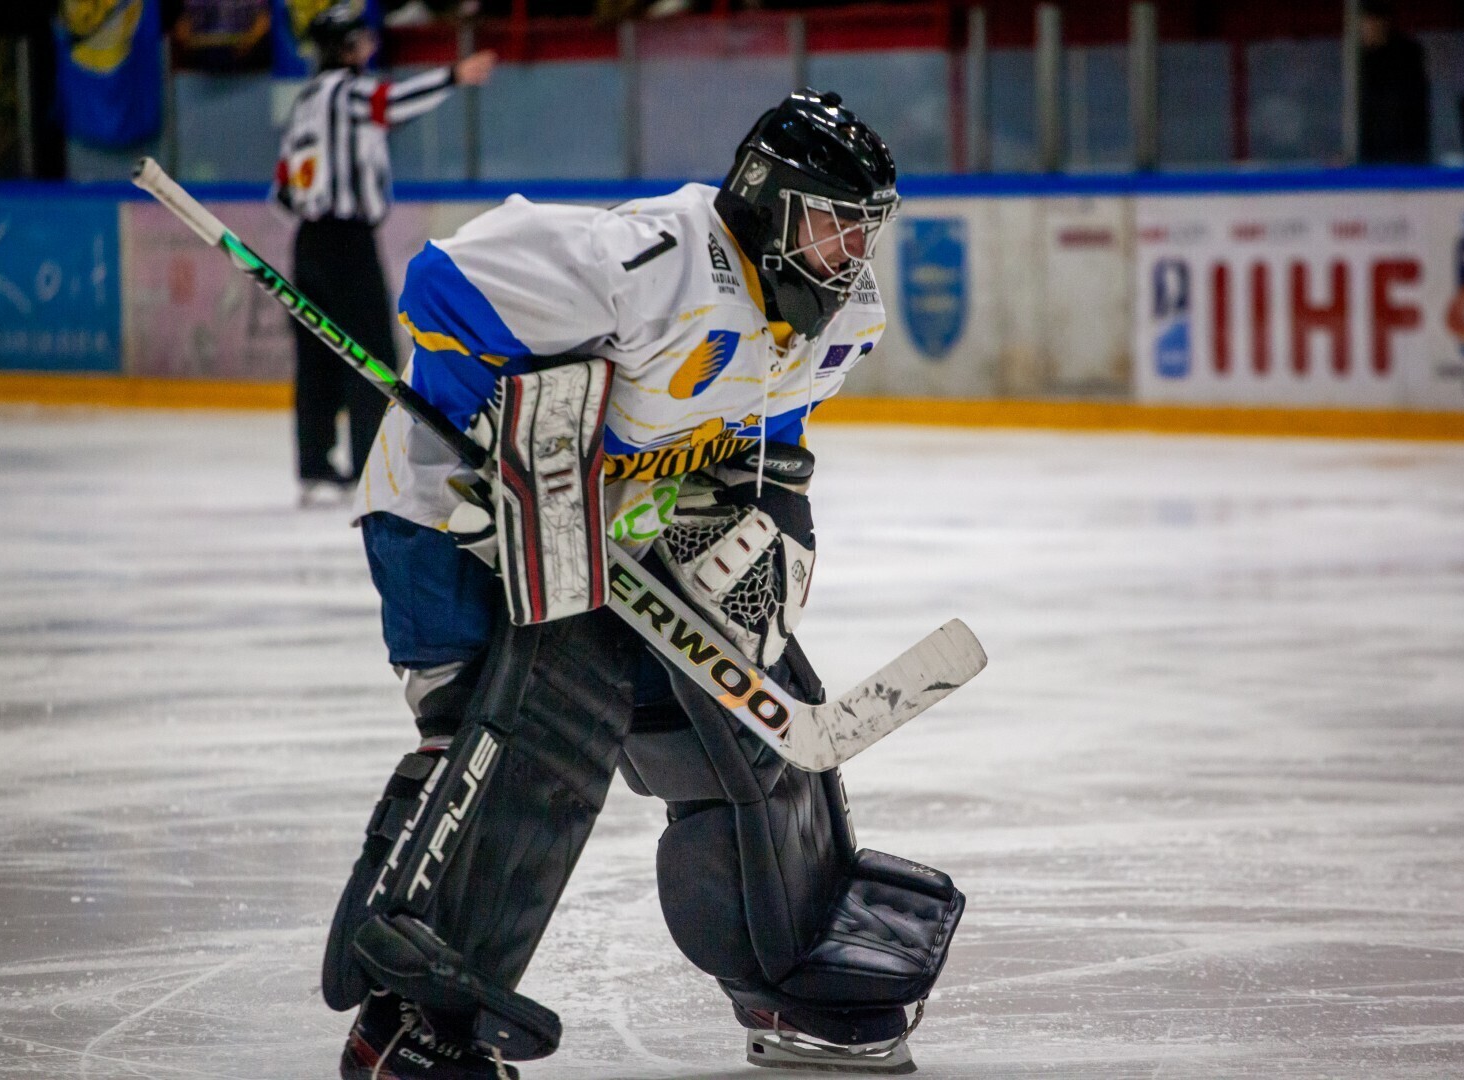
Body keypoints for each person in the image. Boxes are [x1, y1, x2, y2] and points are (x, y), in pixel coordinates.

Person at [323, 89, 966, 1079]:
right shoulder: (654, 263)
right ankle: (409, 1023)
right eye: (831, 227)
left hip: (612, 541)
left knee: (742, 731)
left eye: (862, 233)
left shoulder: (841, 317)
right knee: (515, 746)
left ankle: (783, 970)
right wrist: (496, 447)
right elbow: (444, 283)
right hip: (452, 529)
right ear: (766, 200)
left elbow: (769, 432)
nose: (849, 257)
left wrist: (771, 515)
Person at [273, 2, 495, 506]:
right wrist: (453, 76)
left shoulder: (304, 100)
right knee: (370, 354)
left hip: (307, 243)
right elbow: (390, 102)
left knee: (316, 356)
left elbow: (283, 187)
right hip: (347, 243)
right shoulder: (348, 91)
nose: (370, 46)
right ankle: (369, 466)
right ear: (345, 47)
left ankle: (314, 467)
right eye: (361, 39)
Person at [1358, 0, 1430, 165]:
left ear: (1382, 22)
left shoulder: (1406, 57)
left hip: (1403, 154)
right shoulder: (1357, 60)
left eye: (1369, 22)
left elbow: (1405, 111)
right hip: (1368, 156)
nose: (1363, 29)